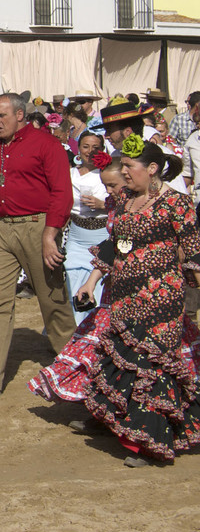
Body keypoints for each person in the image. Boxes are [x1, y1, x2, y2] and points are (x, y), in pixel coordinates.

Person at [30, 138, 200, 465]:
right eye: (122, 168)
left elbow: (193, 255)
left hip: (161, 299)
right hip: (122, 297)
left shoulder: (177, 204)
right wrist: (91, 283)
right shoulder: (124, 199)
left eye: (129, 168)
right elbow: (115, 244)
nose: (124, 173)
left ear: (152, 169)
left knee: (152, 368)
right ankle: (117, 424)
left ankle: (151, 442)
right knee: (121, 361)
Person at [0, 93, 75, 396]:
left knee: (52, 299)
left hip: (37, 228)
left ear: (20, 115)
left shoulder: (47, 145)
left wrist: (51, 235)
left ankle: (75, 368)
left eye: (0, 115)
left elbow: (62, 192)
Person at [65, 134, 112, 324]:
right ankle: (72, 328)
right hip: (76, 235)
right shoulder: (70, 174)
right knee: (71, 276)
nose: (90, 152)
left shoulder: (107, 174)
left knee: (98, 283)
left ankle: (93, 328)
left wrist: (103, 205)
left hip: (101, 234)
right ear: (78, 149)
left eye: (95, 147)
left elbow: (121, 201)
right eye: (86, 146)